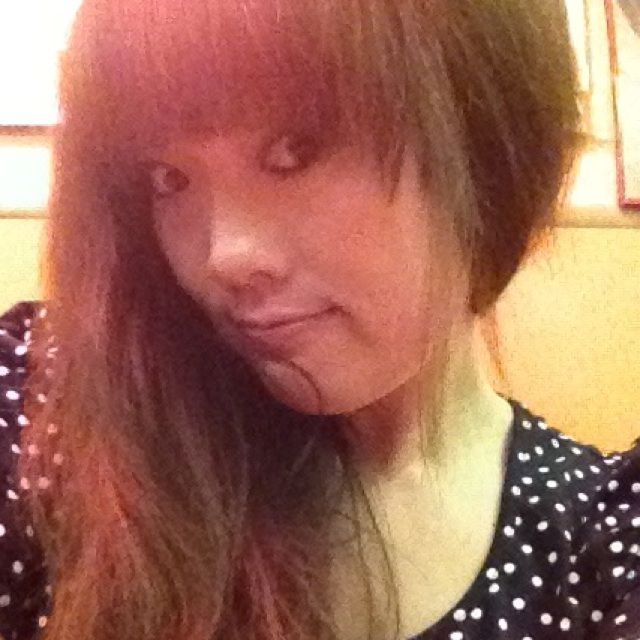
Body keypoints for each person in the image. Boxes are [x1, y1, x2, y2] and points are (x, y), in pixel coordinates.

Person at [0, 0, 639, 639]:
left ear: (487, 146)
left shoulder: (598, 541)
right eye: (168, 178)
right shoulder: (53, 409)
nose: (224, 257)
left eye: (294, 151)